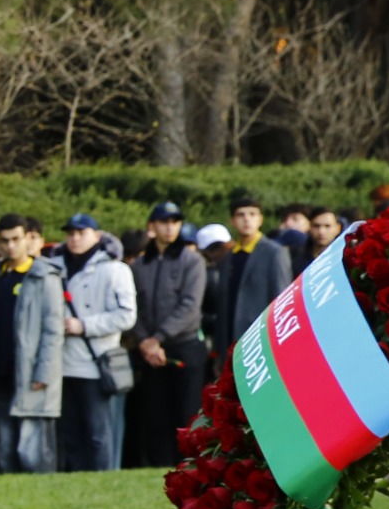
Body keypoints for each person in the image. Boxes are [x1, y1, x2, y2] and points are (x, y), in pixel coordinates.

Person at [128, 202, 208, 469]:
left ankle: (188, 467)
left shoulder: (191, 260)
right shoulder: (140, 263)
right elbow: (133, 307)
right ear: (151, 227)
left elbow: (189, 305)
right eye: (164, 222)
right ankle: (158, 466)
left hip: (183, 346)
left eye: (175, 222)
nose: (170, 227)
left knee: (185, 413)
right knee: (154, 414)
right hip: (150, 350)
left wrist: (157, 338)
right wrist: (144, 341)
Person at [56, 213, 136, 472]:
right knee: (71, 431)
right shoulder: (56, 266)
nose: (75, 238)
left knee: (98, 431)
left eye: (81, 233)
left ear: (97, 236)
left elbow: (127, 315)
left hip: (96, 361)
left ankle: (103, 476)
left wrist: (86, 325)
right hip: (63, 361)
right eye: (71, 233)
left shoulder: (115, 269)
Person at [0, 214, 65, 475]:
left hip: (32, 374)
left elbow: (53, 330)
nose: (10, 246)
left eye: (16, 239)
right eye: (4, 240)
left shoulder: (44, 276)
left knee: (31, 452)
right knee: (5, 448)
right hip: (1, 371)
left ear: (28, 238)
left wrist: (44, 372)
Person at [215, 192, 292, 353]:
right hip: (230, 344)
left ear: (260, 219)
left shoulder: (274, 252)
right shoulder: (228, 256)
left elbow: (281, 300)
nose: (247, 219)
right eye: (241, 215)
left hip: (261, 343)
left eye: (252, 214)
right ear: (232, 221)